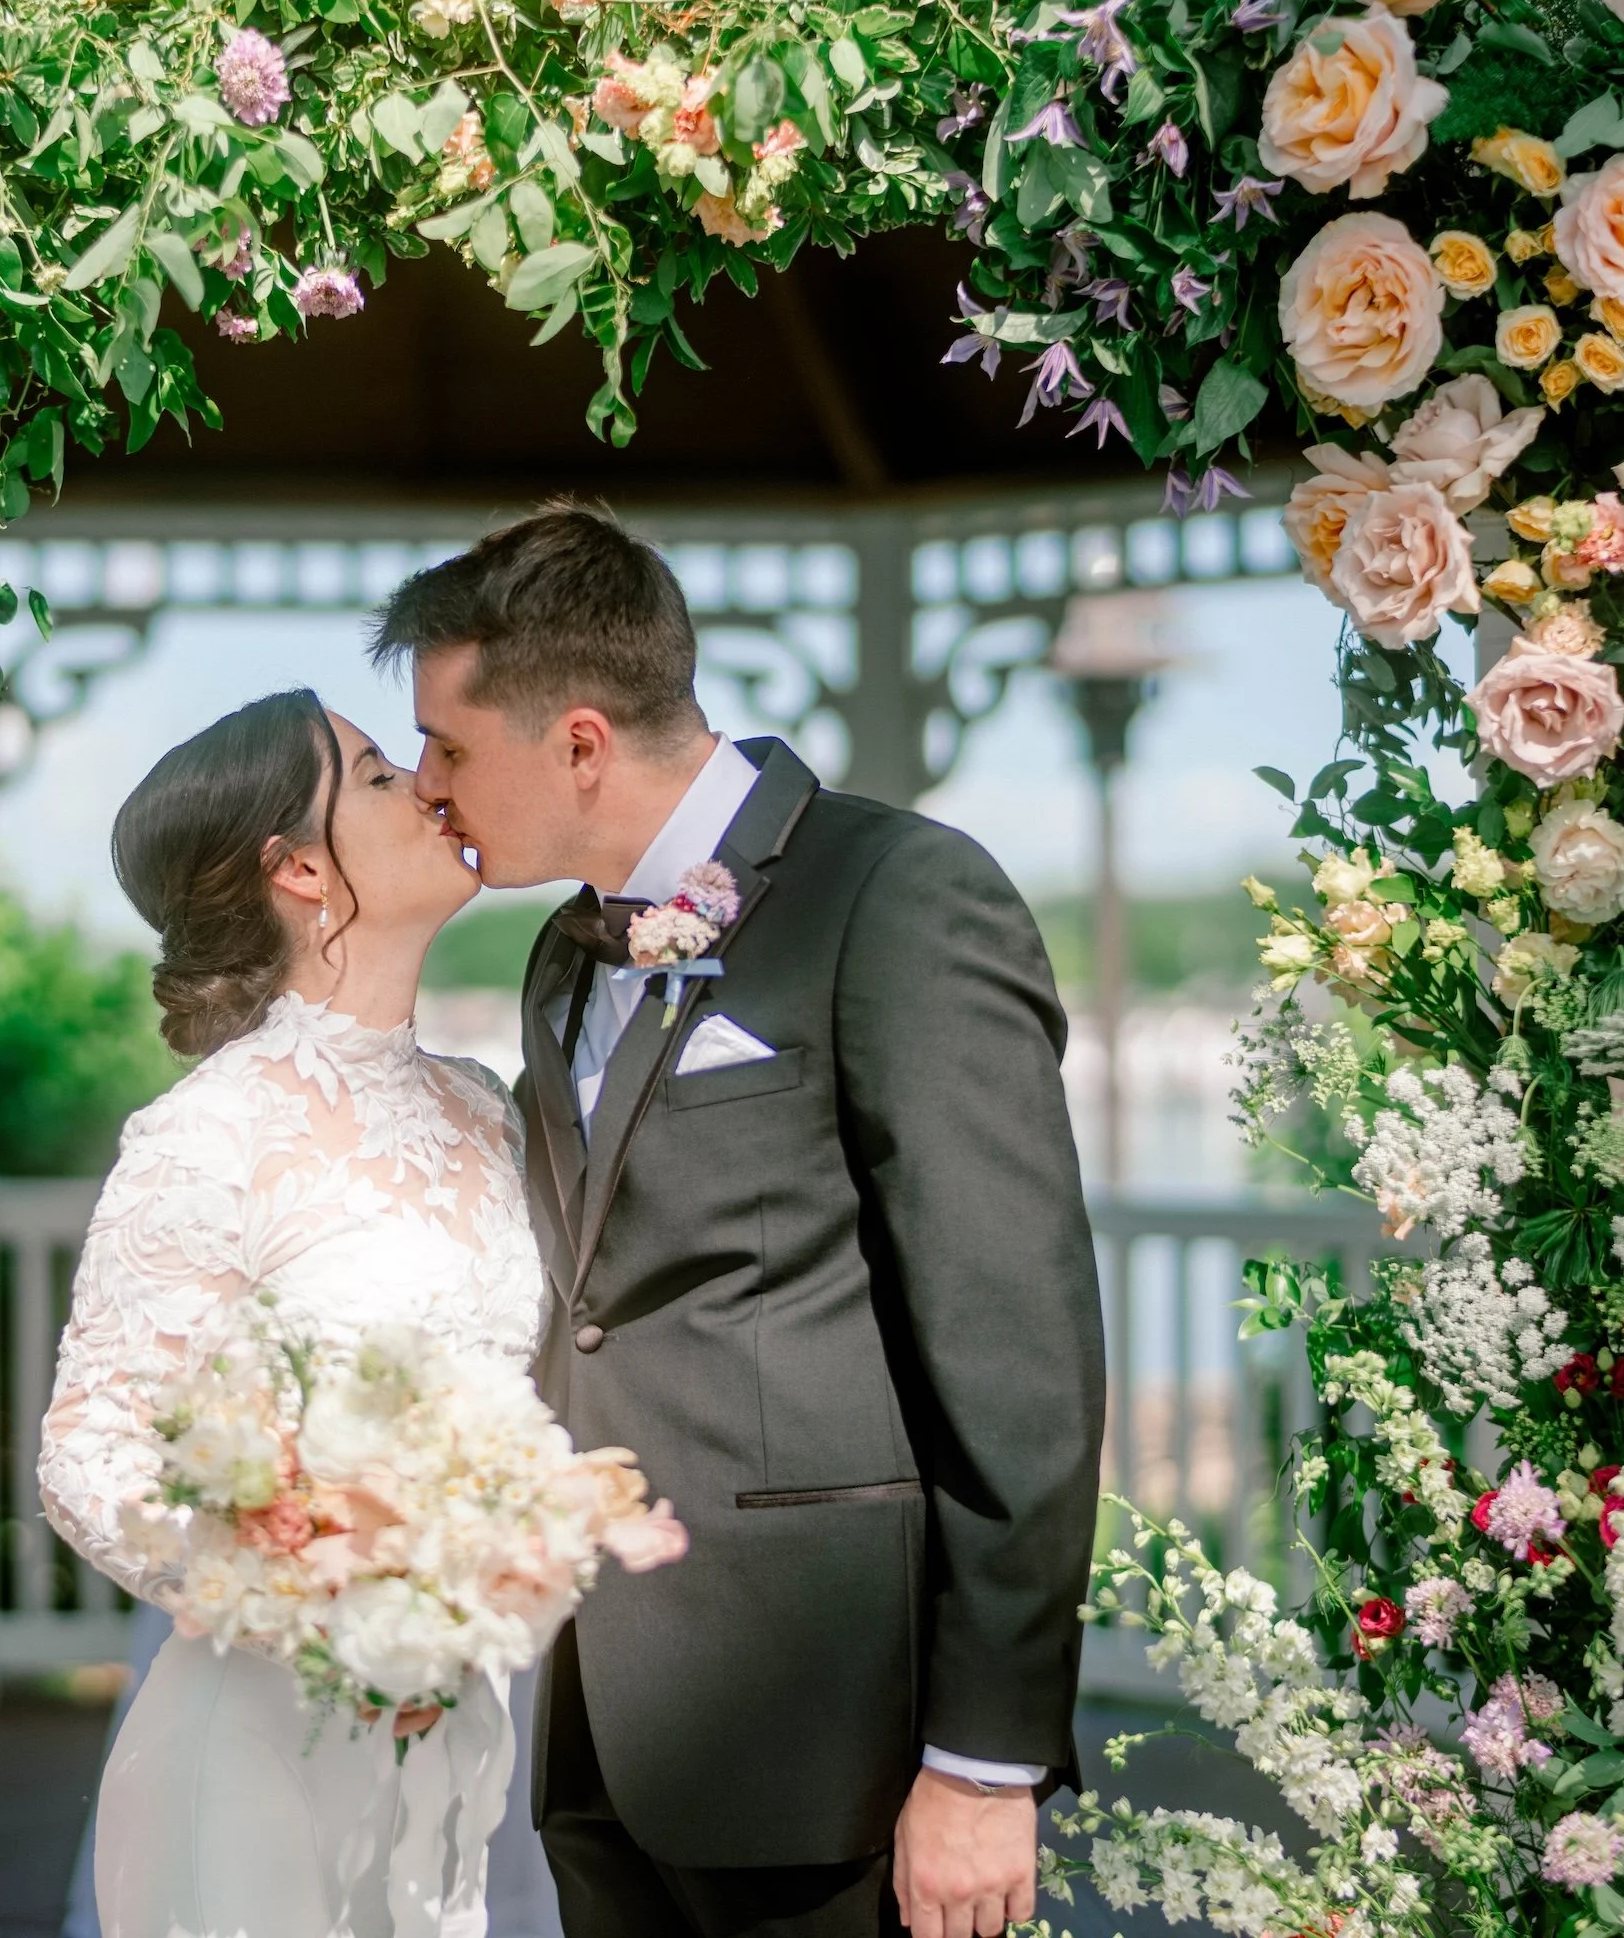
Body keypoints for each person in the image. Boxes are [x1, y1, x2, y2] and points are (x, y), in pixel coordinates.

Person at [371, 505, 1106, 1938]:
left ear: (578, 742)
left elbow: (1016, 1351)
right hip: (602, 1725)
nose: (426, 782)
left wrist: (983, 1760)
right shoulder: (558, 955)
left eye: (450, 747)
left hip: (834, 1741)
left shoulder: (893, 896)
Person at [37, 689, 549, 1938]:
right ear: (302, 868)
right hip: (281, 1714)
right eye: (378, 774)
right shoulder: (206, 1135)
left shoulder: (487, 1106)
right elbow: (87, 1458)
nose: (429, 785)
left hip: (492, 1701)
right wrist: (315, 1597)